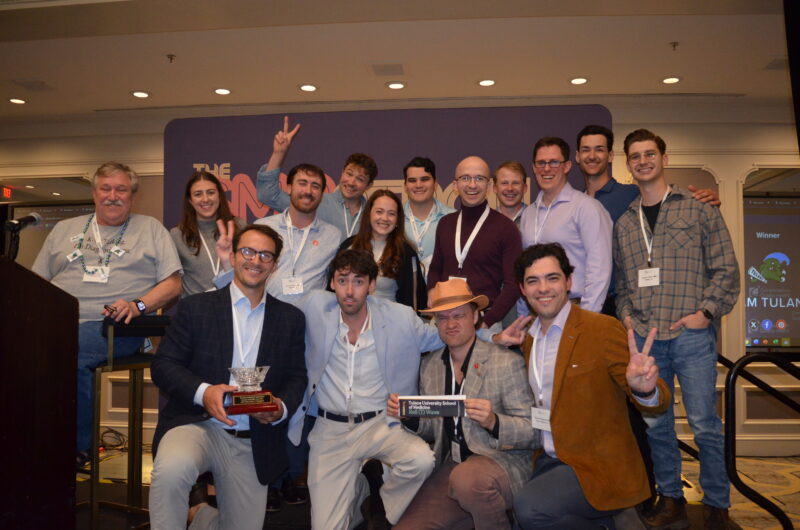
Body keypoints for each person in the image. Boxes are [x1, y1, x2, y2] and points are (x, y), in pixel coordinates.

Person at [614, 129, 740, 529]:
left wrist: (707, 311)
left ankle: (718, 503)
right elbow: (623, 284)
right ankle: (672, 498)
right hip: (648, 340)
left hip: (691, 335)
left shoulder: (699, 209)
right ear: (628, 164)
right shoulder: (625, 224)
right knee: (657, 426)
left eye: (649, 154)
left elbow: (726, 268)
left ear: (664, 159)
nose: (643, 161)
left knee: (705, 424)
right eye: (635, 156)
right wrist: (626, 315)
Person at [148, 224, 307, 529]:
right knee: (171, 470)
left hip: (253, 438)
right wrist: (204, 392)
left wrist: (279, 409)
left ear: (274, 265)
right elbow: (164, 365)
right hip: (197, 424)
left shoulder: (290, 319)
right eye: (247, 251)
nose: (255, 260)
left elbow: (297, 378)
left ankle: (204, 517)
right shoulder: (196, 308)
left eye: (265, 255)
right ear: (233, 257)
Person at [31, 161, 182, 469]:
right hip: (57, 322)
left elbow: (173, 284)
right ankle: (29, 438)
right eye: (106, 188)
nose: (113, 196)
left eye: (121, 189)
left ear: (133, 195)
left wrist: (137, 306)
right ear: (94, 192)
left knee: (70, 348)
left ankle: (76, 446)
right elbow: (37, 283)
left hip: (117, 326)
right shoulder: (63, 229)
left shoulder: (150, 228)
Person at [508, 243, 670, 529]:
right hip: (549, 457)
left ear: (569, 282)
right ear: (522, 289)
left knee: (530, 509)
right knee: (520, 513)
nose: (543, 288)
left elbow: (656, 401)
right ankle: (611, 521)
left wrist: (645, 388)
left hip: (596, 464)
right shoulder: (529, 338)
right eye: (533, 281)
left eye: (552, 278)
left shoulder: (601, 329)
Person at [213, 162, 341, 510]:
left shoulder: (333, 235)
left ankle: (288, 476)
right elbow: (242, 276)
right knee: (257, 396)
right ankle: (263, 478)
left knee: (298, 401)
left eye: (316, 185)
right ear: (289, 186)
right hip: (259, 326)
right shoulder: (263, 229)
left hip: (307, 333)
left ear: (321, 193)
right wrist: (225, 266)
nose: (308, 190)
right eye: (302, 183)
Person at [291, 249, 444, 529]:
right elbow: (274, 316)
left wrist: (494, 335)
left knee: (421, 460)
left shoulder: (400, 317)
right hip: (330, 430)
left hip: (380, 423)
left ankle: (379, 504)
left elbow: (443, 334)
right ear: (331, 284)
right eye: (342, 280)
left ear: (372, 286)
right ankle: (360, 490)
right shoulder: (313, 307)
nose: (350, 291)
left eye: (359, 281)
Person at [389, 279, 536, 530]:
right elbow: (431, 428)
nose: (451, 324)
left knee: (467, 481)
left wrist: (494, 422)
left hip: (503, 463)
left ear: (476, 317)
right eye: (443, 318)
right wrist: (408, 415)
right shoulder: (430, 366)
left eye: (459, 315)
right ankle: (478, 513)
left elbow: (533, 432)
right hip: (454, 466)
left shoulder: (505, 362)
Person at [518, 137, 612, 313]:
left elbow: (599, 269)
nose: (546, 169)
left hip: (575, 308)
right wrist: (524, 317)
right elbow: (525, 268)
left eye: (554, 162)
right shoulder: (528, 214)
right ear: (533, 168)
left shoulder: (586, 208)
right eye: (541, 163)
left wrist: (587, 317)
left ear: (567, 166)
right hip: (537, 310)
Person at [427, 156, 522, 330]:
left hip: (485, 321)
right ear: (455, 185)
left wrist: (485, 323)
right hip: (445, 319)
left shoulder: (506, 228)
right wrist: (432, 292)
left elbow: (513, 284)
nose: (472, 185)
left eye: (479, 178)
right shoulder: (445, 223)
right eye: (465, 178)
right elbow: (435, 268)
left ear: (489, 185)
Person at [257, 116, 377, 241]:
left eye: (360, 179)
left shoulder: (372, 214)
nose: (351, 182)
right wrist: (278, 154)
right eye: (349, 174)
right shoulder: (316, 202)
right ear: (342, 173)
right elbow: (267, 194)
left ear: (369, 185)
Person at [339, 189, 427, 311]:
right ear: (369, 214)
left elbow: (414, 301)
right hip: (350, 321)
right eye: (379, 212)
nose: (385, 218)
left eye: (391, 213)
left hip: (389, 323)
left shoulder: (406, 253)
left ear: (397, 219)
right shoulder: (348, 246)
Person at [170, 170, 243, 297]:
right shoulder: (177, 235)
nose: (205, 199)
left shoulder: (240, 228)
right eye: (198, 194)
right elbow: (170, 281)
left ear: (219, 196)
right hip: (195, 312)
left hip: (235, 308)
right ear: (190, 200)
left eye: (211, 192)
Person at [401, 156, 454, 274]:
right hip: (403, 291)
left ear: (435, 184)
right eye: (412, 180)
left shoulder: (453, 218)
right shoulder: (393, 220)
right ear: (405, 186)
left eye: (425, 179)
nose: (418, 185)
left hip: (440, 290)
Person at [493, 161, 528, 228]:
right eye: (504, 183)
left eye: (515, 183)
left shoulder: (536, 218)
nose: (510, 188)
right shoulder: (486, 222)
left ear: (524, 188)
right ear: (495, 188)